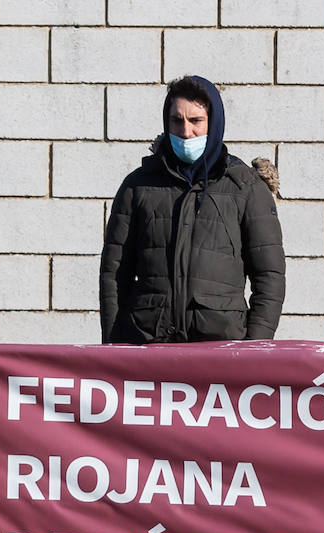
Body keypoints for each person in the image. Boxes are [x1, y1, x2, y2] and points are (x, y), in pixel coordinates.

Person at [100, 74, 285, 344]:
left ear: (214, 121)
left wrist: (254, 347)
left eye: (196, 121)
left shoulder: (246, 187)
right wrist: (114, 346)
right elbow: (114, 274)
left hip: (221, 349)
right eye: (177, 121)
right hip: (148, 345)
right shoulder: (137, 186)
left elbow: (269, 277)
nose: (186, 132)